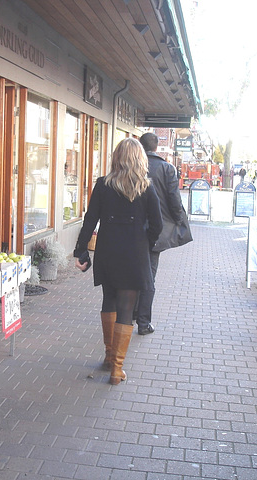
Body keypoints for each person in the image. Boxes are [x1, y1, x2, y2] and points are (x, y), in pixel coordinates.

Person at [73, 138, 162, 385]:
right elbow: (158, 225)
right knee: (126, 309)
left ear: (117, 158)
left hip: (107, 252)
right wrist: (147, 242)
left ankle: (109, 356)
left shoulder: (102, 185)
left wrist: (80, 251)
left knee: (108, 300)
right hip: (134, 254)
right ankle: (117, 369)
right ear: (140, 159)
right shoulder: (146, 187)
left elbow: (90, 220)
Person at [133, 133, 189, 335]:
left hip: (132, 230)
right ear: (156, 147)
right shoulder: (166, 168)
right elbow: (174, 199)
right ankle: (144, 322)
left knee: (132, 273)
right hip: (156, 231)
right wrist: (178, 220)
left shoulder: (134, 165)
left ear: (140, 145)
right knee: (149, 275)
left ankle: (131, 312)